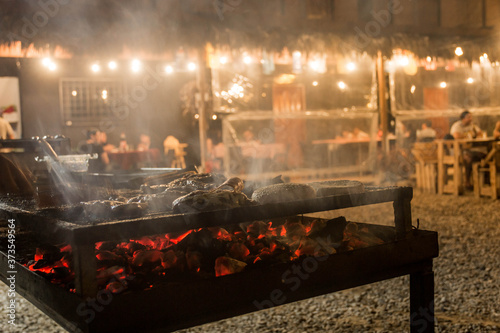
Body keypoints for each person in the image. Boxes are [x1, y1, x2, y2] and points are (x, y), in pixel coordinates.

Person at [450, 110, 486, 190]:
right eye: (468, 117)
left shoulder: (472, 125)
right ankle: (467, 181)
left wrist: (471, 135)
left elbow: (479, 133)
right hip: (458, 151)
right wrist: (470, 135)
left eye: (471, 117)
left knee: (483, 155)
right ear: (463, 118)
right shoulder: (457, 126)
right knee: (468, 158)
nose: (470, 119)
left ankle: (484, 182)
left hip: (471, 149)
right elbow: (456, 136)